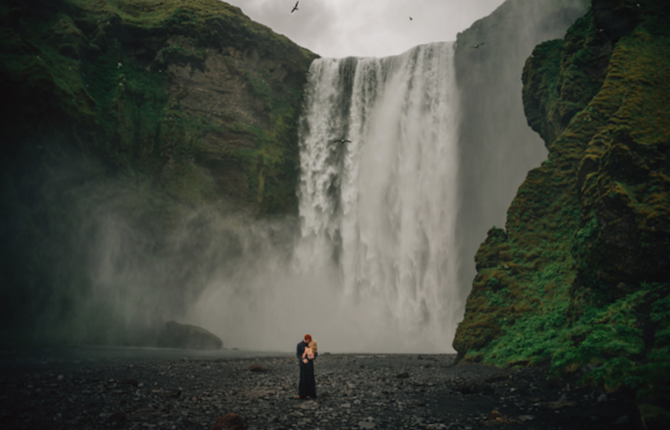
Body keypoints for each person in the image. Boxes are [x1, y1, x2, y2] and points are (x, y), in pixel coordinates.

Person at [296, 334, 317, 399]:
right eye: (308, 340)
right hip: (303, 365)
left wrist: (313, 357)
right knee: (303, 379)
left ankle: (311, 394)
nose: (309, 342)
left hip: (310, 364)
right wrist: (303, 359)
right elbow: (298, 354)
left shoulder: (310, 344)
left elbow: (315, 352)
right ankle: (302, 394)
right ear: (306, 339)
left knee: (310, 379)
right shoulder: (299, 345)